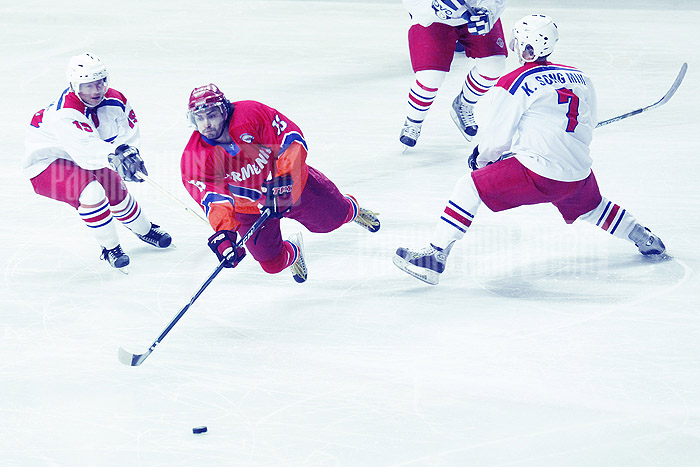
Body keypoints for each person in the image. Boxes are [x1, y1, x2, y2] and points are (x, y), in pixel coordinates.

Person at [393, 14, 666, 285]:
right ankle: (643, 237)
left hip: (538, 173)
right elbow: (588, 124)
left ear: (523, 45)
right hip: (578, 172)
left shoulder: (515, 81)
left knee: (468, 187)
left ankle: (435, 256)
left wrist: (484, 162)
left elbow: (496, 140)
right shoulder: (580, 77)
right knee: (594, 208)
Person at [180, 84, 380, 283]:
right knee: (272, 264)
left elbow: (291, 140)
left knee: (335, 218)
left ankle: (351, 209)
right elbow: (214, 200)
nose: (206, 124)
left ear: (224, 111)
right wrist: (225, 233)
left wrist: (284, 181)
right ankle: (294, 250)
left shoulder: (250, 114)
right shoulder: (195, 157)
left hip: (293, 189)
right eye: (199, 118)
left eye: (212, 115)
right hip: (250, 210)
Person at [23, 52, 172, 271]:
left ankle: (145, 229)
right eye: (88, 86)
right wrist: (116, 155)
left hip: (83, 155)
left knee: (115, 188)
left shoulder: (117, 99)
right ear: (75, 85)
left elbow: (127, 132)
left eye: (100, 83)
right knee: (92, 192)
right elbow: (85, 150)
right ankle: (110, 247)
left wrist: (129, 152)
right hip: (46, 163)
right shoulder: (64, 113)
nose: (96, 91)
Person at [399, 0, 508, 148]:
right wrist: (434, 7)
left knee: (494, 65)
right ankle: (413, 122)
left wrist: (489, 11)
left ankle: (465, 103)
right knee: (430, 77)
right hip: (433, 17)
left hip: (474, 10)